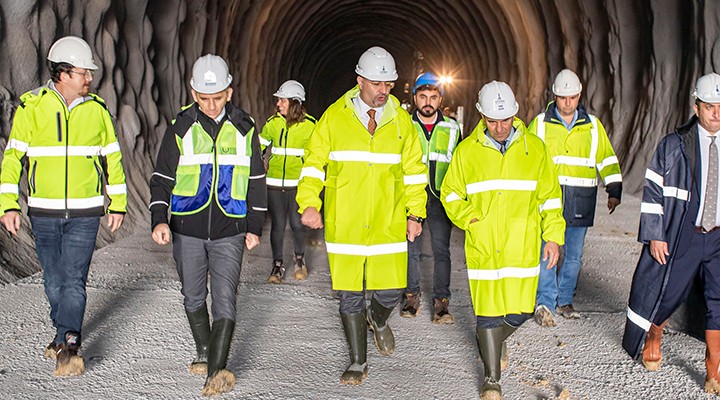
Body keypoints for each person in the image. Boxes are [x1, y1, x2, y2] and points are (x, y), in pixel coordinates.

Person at [296, 46, 427, 385]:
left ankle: (378, 319)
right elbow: (313, 164)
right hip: (347, 220)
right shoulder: (334, 118)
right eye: (376, 83)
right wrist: (309, 202)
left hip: (388, 219)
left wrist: (416, 213)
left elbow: (414, 171)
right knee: (350, 292)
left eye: (389, 84)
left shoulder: (402, 123)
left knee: (391, 290)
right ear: (359, 81)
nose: (383, 90)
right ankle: (358, 360)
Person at [0, 36, 127, 377]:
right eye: (84, 72)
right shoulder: (32, 108)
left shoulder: (98, 111)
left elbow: (112, 160)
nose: (89, 78)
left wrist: (118, 203)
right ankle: (61, 332)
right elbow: (13, 158)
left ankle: (70, 345)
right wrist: (8, 204)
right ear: (64, 74)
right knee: (53, 281)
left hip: (86, 212)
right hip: (44, 211)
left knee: (73, 280)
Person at [149, 54, 266, 396]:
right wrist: (159, 220)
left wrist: (254, 226)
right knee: (193, 295)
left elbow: (256, 180)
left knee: (225, 299)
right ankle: (204, 348)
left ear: (230, 92)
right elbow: (161, 179)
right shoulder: (180, 127)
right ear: (193, 93)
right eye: (204, 98)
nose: (211, 105)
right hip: (187, 227)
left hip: (231, 228)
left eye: (218, 97)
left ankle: (216, 370)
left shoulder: (246, 128)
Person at [441, 81, 564, 399]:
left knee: (521, 311)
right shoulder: (467, 152)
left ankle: (495, 341)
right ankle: (491, 378)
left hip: (522, 244)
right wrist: (471, 220)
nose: (499, 127)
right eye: (492, 120)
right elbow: (451, 193)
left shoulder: (535, 149)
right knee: (488, 312)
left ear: (515, 114)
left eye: (505, 119)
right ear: (481, 116)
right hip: (485, 245)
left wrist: (552, 237)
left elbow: (550, 197)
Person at [623, 73, 720, 394]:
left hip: (718, 238)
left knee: (718, 301)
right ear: (696, 108)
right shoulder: (674, 145)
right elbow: (652, 191)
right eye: (709, 107)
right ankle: (654, 334)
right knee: (669, 292)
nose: (716, 113)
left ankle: (713, 370)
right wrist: (655, 234)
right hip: (685, 234)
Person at [528, 69, 622, 327]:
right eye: (562, 97)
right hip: (549, 199)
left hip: (581, 198)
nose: (567, 102)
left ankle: (565, 300)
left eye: (572, 97)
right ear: (554, 96)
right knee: (548, 250)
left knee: (573, 255)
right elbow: (526, 159)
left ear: (579, 95)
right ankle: (545, 302)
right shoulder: (539, 124)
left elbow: (606, 158)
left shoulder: (593, 126)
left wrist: (614, 190)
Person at [401, 72, 461, 323]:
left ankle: (441, 303)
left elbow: (459, 164)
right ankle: (411, 297)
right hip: (411, 197)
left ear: (440, 99)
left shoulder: (452, 127)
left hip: (439, 198)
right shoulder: (404, 125)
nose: (428, 102)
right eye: (423, 96)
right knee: (410, 249)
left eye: (433, 97)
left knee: (441, 251)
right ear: (415, 98)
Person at [259, 80, 316, 284]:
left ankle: (299, 259)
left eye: (282, 100)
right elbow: (260, 145)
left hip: (298, 184)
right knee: (278, 225)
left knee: (296, 223)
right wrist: (260, 161)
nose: (278, 104)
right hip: (274, 183)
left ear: (294, 102)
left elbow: (316, 155)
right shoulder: (272, 123)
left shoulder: (310, 126)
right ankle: (277, 264)